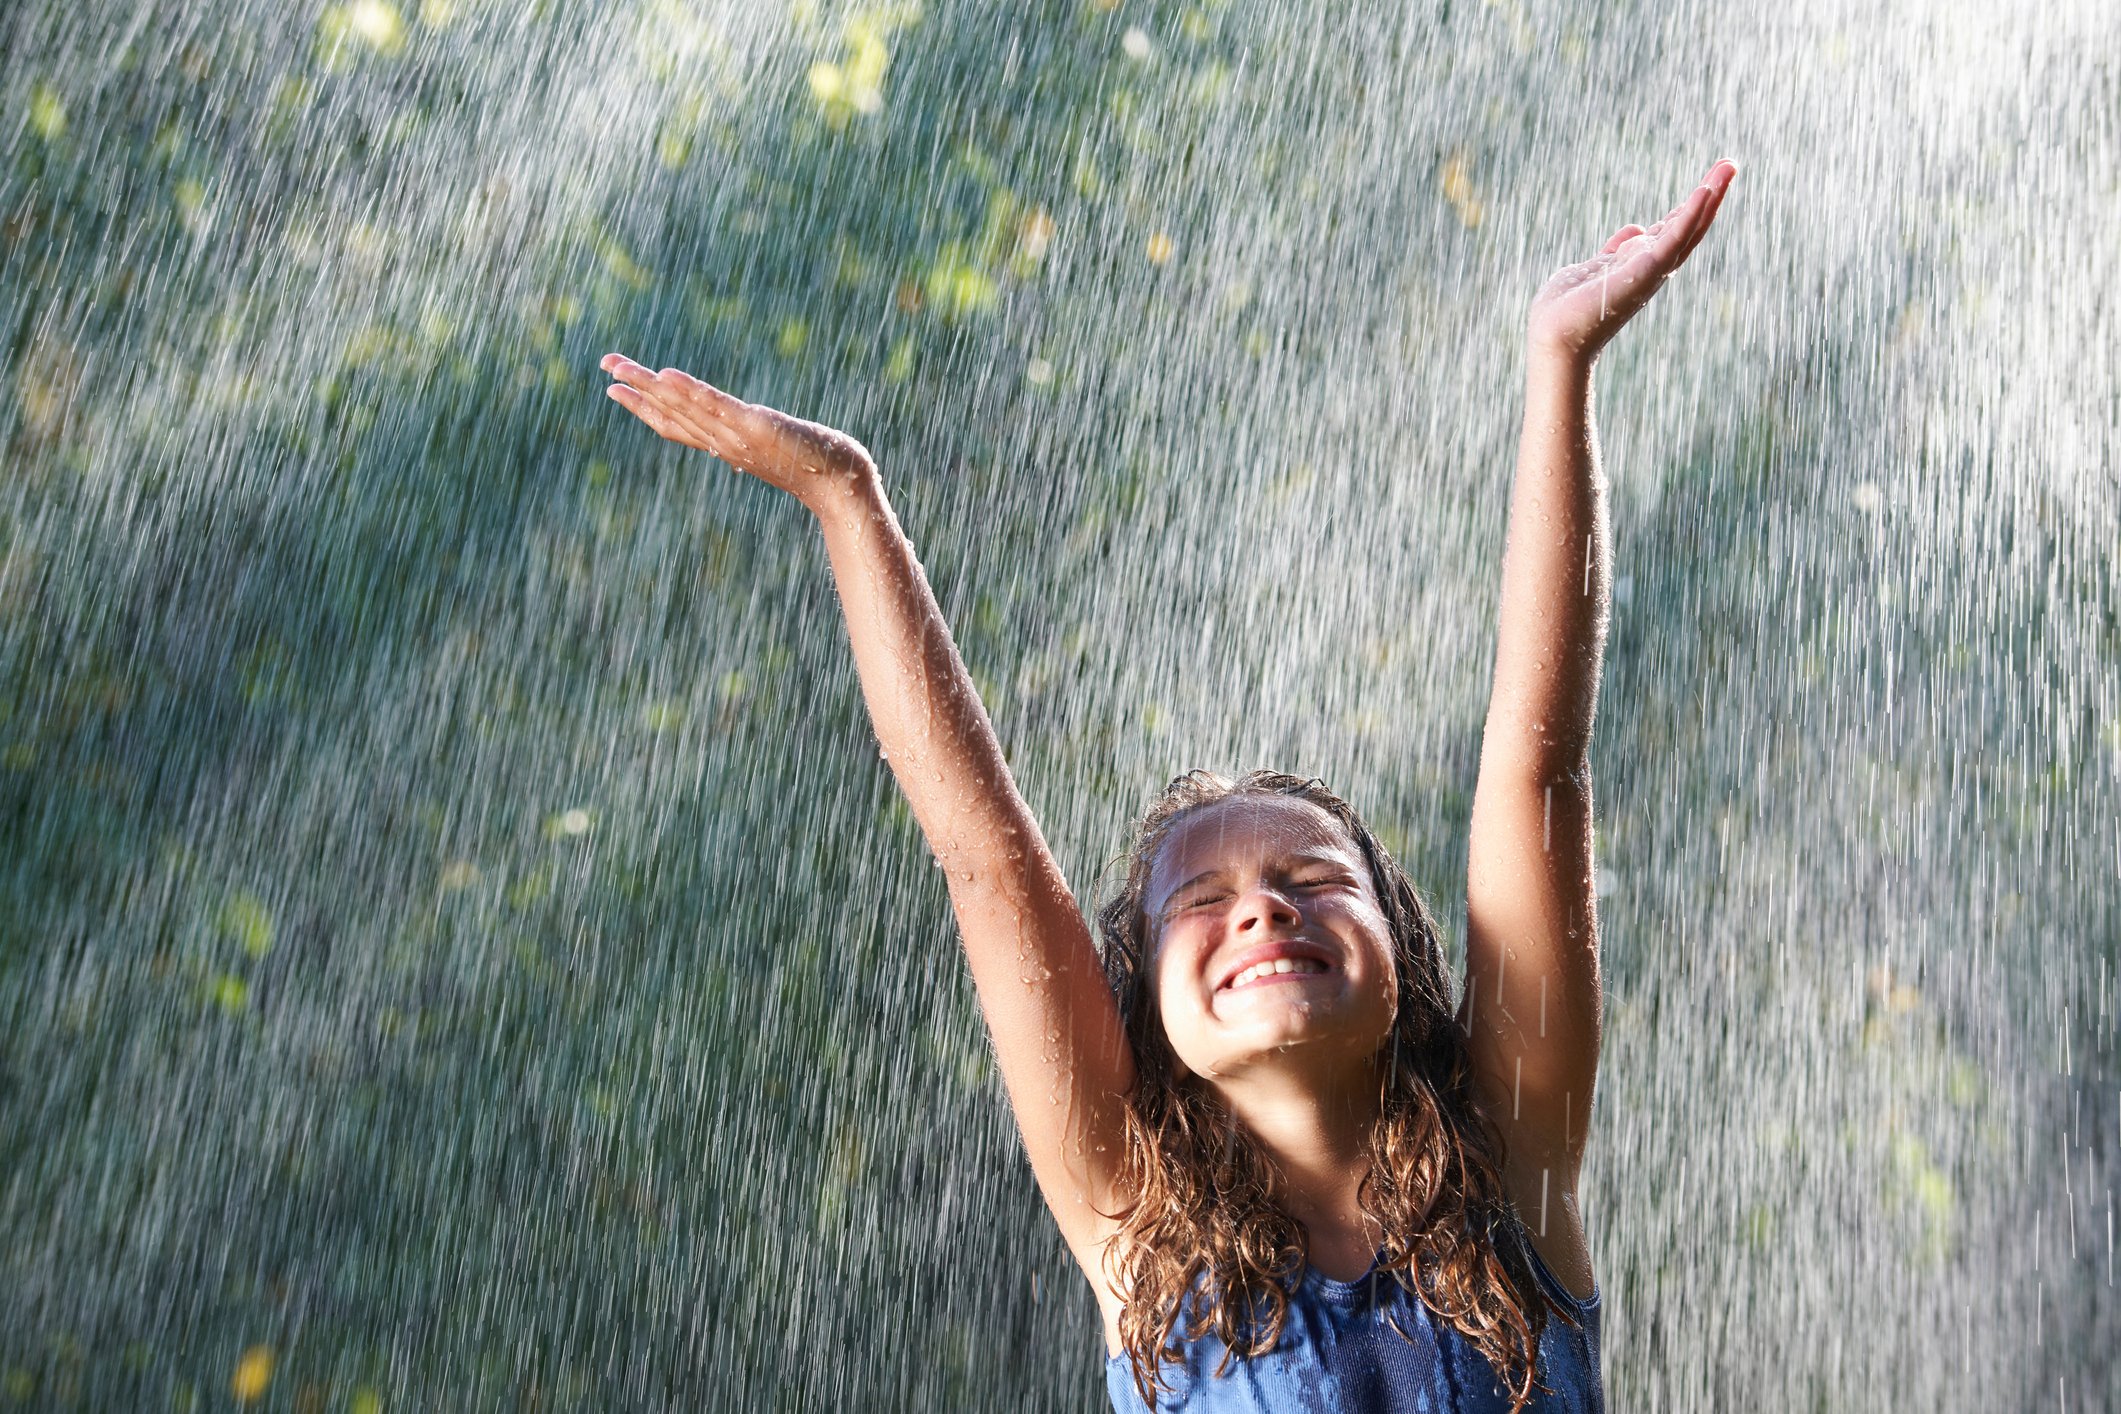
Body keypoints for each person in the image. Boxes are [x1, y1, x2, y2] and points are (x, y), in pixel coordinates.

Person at [600, 157, 1738, 1412]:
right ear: (1140, 1005)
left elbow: (1538, 767)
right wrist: (847, 497)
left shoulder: (1510, 1171)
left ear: (1404, 958)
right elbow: (983, 857)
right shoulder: (1143, 1245)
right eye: (1203, 901)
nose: (1262, 909)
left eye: (1311, 878)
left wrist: (1560, 365)